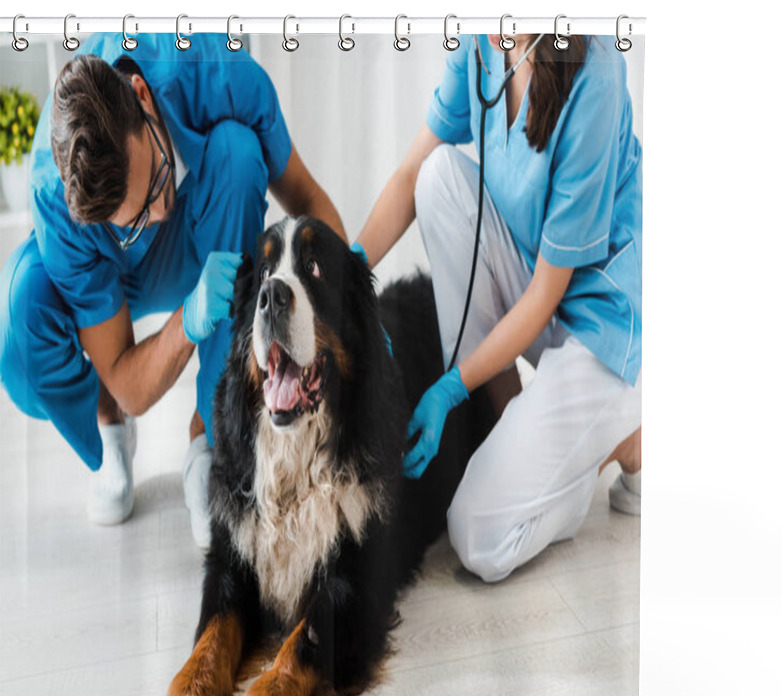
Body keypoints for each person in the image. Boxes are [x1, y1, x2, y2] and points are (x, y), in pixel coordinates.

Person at [0, 33, 345, 547]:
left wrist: (352, 307)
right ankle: (107, 425)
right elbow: (128, 382)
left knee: (237, 151)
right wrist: (186, 323)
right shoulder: (57, 193)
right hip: (107, 272)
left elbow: (307, 196)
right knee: (22, 314)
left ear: (141, 93)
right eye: (133, 219)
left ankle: (208, 436)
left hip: (205, 235)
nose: (157, 213)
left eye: (157, 180)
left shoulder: (220, 73)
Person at [353, 34, 642, 583]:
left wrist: (449, 386)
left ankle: (618, 439)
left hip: (601, 329)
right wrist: (345, 273)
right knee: (439, 177)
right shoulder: (483, 44)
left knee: (479, 539)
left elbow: (543, 297)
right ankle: (518, 430)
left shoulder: (597, 76)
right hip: (536, 283)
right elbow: (412, 175)